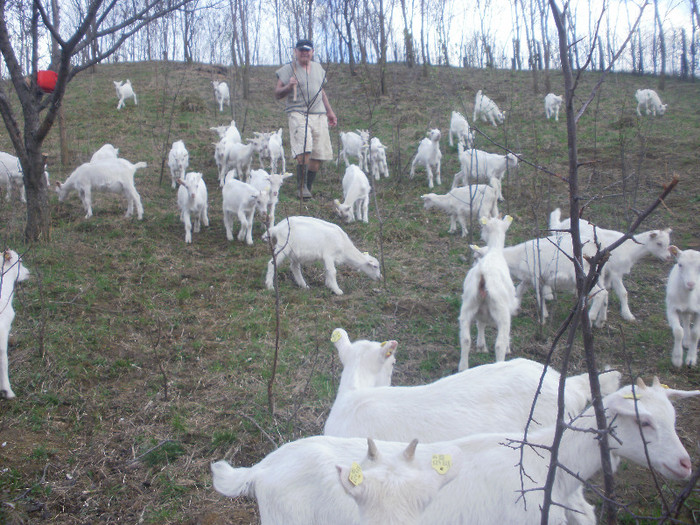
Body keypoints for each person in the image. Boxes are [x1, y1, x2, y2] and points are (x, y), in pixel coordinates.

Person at [275, 39, 337, 199]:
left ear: (312, 52)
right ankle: (300, 187)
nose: (304, 52)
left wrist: (330, 112)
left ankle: (307, 188)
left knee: (318, 154)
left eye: (307, 50)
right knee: (304, 148)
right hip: (298, 113)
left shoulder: (318, 69)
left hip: (319, 114)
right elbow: (277, 93)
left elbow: (320, 91)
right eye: (301, 50)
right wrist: (288, 86)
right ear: (296, 51)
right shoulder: (288, 69)